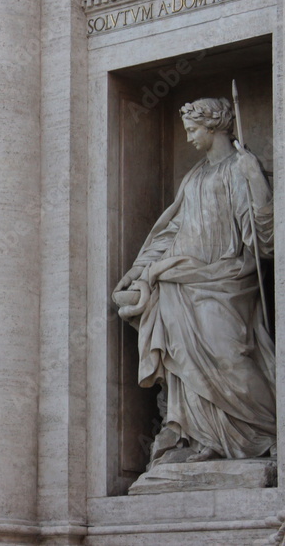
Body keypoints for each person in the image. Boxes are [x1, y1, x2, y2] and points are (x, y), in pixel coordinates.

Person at [114, 97, 275, 463]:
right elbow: (171, 232)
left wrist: (257, 182)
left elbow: (264, 239)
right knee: (184, 362)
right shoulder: (194, 177)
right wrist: (138, 272)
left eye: (192, 130)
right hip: (182, 281)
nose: (188, 138)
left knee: (230, 355)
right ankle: (203, 436)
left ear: (214, 127)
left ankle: (267, 428)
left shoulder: (242, 168)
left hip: (228, 278)